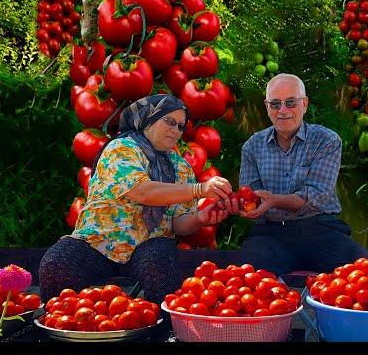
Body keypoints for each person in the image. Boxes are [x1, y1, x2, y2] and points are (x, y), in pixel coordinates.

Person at [39, 94, 234, 305]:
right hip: (97, 242)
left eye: (180, 126)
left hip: (147, 245)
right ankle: (61, 324)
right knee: (57, 264)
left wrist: (200, 218)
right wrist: (200, 189)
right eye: (169, 121)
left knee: (160, 263)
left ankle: (160, 329)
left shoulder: (181, 168)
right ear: (148, 118)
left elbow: (179, 224)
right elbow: (143, 192)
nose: (175, 130)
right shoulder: (121, 149)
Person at [238, 73, 368, 276]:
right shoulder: (252, 147)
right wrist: (240, 205)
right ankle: (278, 305)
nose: (283, 110)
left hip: (320, 229)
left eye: (290, 102)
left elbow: (316, 196)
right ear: (267, 107)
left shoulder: (326, 140)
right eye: (275, 104)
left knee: (361, 270)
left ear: (305, 104)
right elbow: (250, 197)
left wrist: (273, 200)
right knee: (247, 272)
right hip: (272, 234)